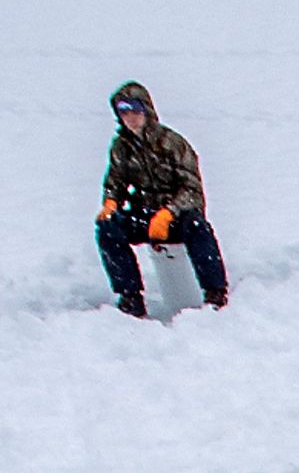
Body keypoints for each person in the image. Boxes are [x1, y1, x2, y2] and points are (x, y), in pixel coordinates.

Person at [96, 82, 227, 315]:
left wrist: (169, 212)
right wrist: (110, 202)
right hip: (145, 215)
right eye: (123, 111)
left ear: (147, 110)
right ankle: (130, 296)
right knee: (108, 228)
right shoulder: (121, 148)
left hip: (177, 217)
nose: (130, 116)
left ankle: (215, 292)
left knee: (198, 228)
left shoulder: (172, 143)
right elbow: (114, 183)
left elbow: (192, 189)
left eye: (135, 109)